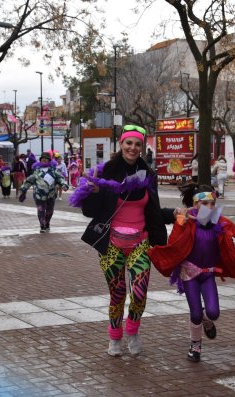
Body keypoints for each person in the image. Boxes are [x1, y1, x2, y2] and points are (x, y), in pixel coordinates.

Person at [69, 124, 177, 357]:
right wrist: (93, 192)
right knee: (117, 294)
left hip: (141, 243)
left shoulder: (148, 175)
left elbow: (154, 211)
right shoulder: (105, 170)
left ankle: (134, 330)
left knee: (139, 293)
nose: (133, 148)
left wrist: (175, 214)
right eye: (129, 143)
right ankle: (115, 337)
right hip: (111, 245)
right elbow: (90, 212)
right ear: (121, 144)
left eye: (138, 144)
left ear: (142, 147)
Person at [148, 184, 235, 362]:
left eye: (212, 203)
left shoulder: (219, 222)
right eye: (204, 203)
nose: (209, 207)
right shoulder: (185, 221)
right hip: (189, 275)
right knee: (196, 314)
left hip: (207, 274)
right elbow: (174, 245)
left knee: (213, 313)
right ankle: (195, 346)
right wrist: (181, 222)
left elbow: (229, 245)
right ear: (195, 204)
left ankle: (207, 321)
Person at [19, 152, 69, 232]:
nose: (44, 160)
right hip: (39, 195)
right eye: (43, 159)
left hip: (51, 194)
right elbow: (29, 180)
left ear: (49, 160)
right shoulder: (36, 171)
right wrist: (24, 190)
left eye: (46, 159)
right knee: (41, 210)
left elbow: (60, 178)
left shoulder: (54, 171)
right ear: (40, 160)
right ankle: (42, 226)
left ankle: (47, 222)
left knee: (50, 211)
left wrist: (64, 185)